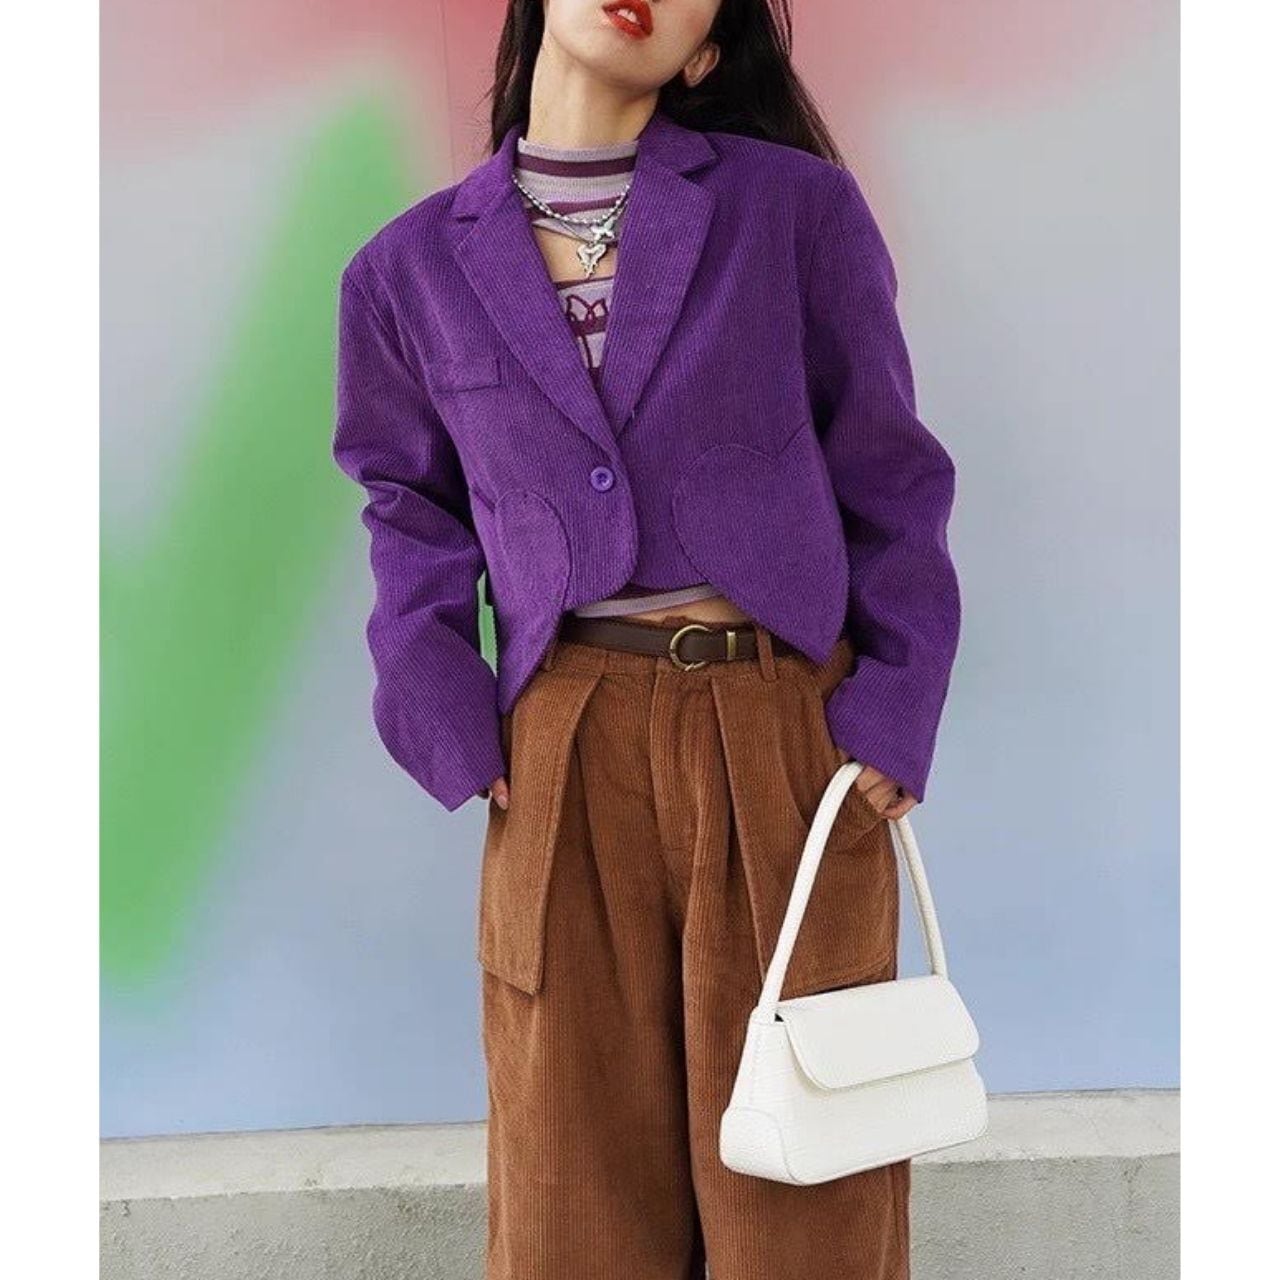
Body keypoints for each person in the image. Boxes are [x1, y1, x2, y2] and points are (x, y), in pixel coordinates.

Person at [332, 2, 961, 1276]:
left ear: (705, 52)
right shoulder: (405, 271)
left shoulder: (793, 213)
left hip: (782, 736)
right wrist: (447, 711)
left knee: (804, 1201)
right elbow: (408, 509)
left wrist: (892, 706)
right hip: (561, 744)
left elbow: (889, 472)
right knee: (571, 1191)